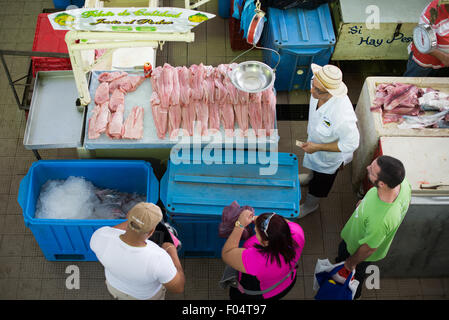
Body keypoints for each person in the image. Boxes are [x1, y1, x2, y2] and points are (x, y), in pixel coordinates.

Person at [335, 155, 411, 299]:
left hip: (355, 249)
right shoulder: (403, 184)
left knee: (356, 274)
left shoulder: (381, 220)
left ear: (382, 184)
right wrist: (364, 202)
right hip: (360, 235)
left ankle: (354, 295)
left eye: (371, 171)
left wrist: (350, 263)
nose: (367, 168)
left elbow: (369, 248)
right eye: (371, 165)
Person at [298, 63, 360, 218]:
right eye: (313, 85)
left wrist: (318, 147)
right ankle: (310, 176)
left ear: (331, 92)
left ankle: (310, 205)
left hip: (328, 159)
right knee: (314, 169)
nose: (312, 91)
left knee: (320, 184)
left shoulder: (342, 116)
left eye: (317, 90)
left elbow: (351, 144)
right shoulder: (318, 82)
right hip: (315, 143)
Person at [90, 202, 185, 300]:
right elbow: (178, 288)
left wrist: (137, 220)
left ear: (128, 215)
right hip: (144, 297)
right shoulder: (159, 258)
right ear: (152, 231)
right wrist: (170, 248)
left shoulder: (100, 236)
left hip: (115, 289)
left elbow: (113, 232)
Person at [221, 210, 305, 300]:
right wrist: (260, 220)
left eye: (256, 231)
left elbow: (227, 253)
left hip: (262, 293)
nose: (254, 229)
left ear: (266, 242)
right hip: (288, 281)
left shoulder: (258, 260)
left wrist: (240, 225)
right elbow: (281, 223)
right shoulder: (297, 232)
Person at [404, 0, 449, 77]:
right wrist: (444, 57)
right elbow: (423, 43)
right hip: (424, 62)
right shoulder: (432, 15)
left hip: (442, 63)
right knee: (410, 83)